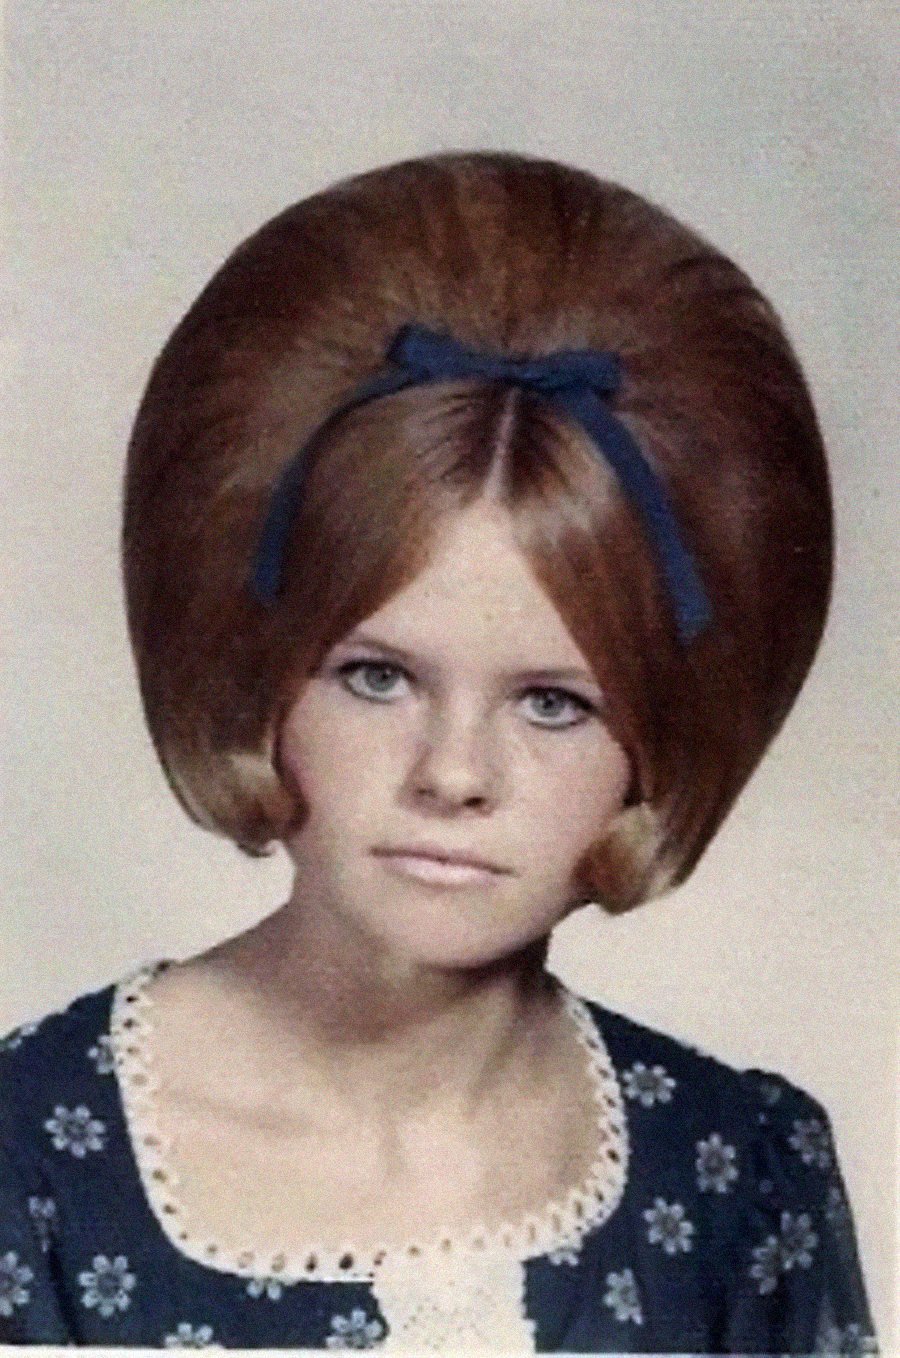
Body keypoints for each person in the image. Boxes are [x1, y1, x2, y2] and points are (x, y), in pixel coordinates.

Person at [0, 151, 877, 1352]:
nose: (453, 772)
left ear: (659, 735)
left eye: (554, 703)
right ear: (258, 672)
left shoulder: (740, 1174)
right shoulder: (30, 1159)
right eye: (378, 677)